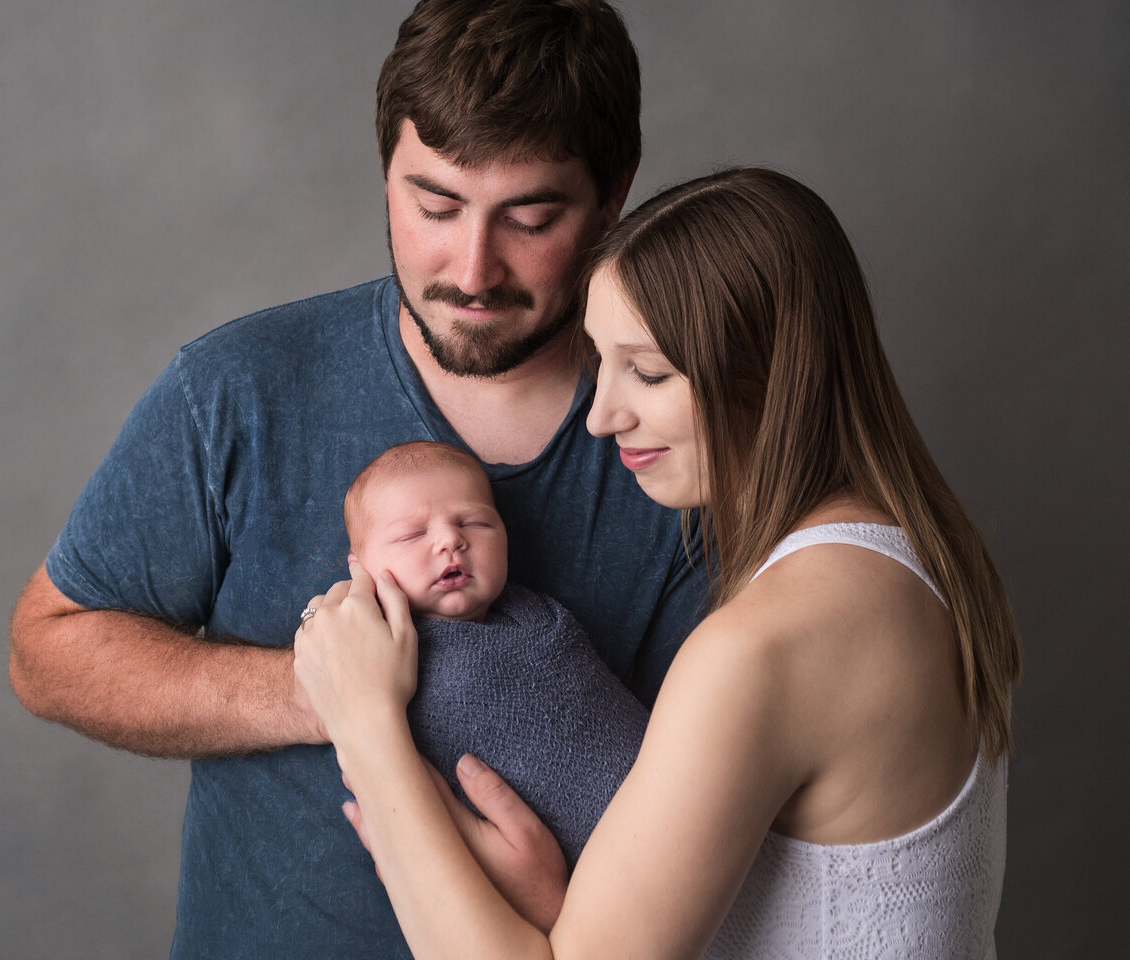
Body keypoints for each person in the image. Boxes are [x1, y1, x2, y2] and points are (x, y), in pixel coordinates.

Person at [8, 2, 706, 956]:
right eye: (434, 205)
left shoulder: (685, 452)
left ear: (615, 193)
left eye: (531, 218)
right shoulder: (238, 389)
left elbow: (708, 821)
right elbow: (48, 651)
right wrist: (322, 691)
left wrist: (564, 900)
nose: (472, 268)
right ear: (385, 173)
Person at [294, 167, 1023, 959]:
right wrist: (565, 903)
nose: (603, 417)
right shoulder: (911, 558)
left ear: (768, 374)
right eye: (599, 363)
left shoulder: (765, 645)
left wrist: (365, 726)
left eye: (647, 372)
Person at [343, 440, 648, 867]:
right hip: (585, 870)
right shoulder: (373, 659)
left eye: (475, 523)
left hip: (660, 803)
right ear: (359, 568)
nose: (451, 539)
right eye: (413, 534)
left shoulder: (538, 619)